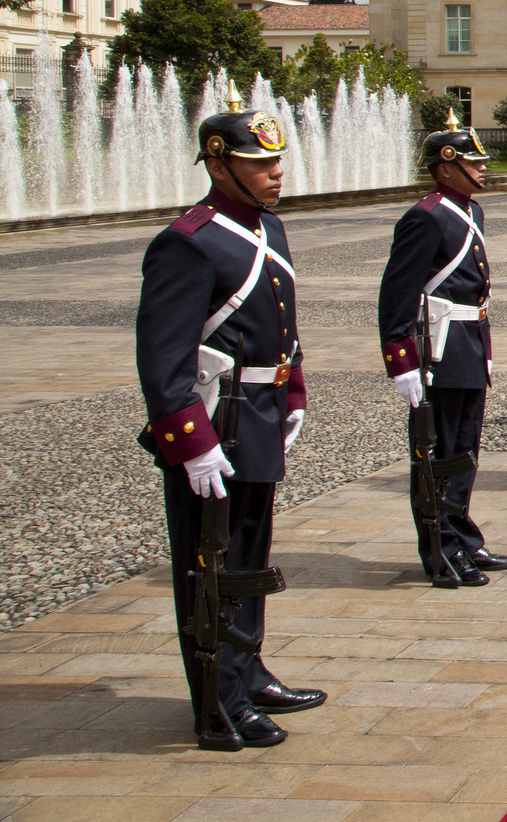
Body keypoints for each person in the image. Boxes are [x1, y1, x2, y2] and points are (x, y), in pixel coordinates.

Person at [136, 89, 326, 751]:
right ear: (219, 166)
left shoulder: (268, 228)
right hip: (215, 423)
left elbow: (283, 325)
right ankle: (218, 698)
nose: (276, 171)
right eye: (260, 161)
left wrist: (293, 392)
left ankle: (248, 665)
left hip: (260, 414)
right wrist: (190, 442)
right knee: (207, 562)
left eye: (278, 158)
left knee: (249, 552)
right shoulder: (186, 243)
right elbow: (163, 358)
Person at [377, 113, 507, 587]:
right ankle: (440, 551)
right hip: (438, 350)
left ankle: (464, 537)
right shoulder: (426, 215)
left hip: (468, 343)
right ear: (444, 167)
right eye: (472, 164)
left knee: (464, 449)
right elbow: (397, 292)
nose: (481, 170)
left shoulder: (471, 211)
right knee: (438, 454)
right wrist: (401, 361)